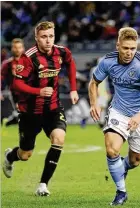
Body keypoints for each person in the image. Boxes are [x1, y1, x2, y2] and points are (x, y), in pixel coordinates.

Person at [2, 21, 79, 196]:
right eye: (44, 37)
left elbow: (71, 64)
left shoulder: (61, 52)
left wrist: (73, 89)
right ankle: (10, 157)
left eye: (51, 36)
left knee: (59, 138)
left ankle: (43, 185)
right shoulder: (28, 58)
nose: (48, 40)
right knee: (25, 154)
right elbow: (17, 84)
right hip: (30, 112)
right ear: (36, 38)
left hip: (52, 108)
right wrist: (38, 91)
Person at [88, 27, 140, 205]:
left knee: (135, 161)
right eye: (125, 48)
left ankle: (123, 166)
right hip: (119, 110)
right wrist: (94, 103)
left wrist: (139, 115)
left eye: (133, 48)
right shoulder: (107, 61)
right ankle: (121, 192)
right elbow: (93, 82)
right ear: (118, 45)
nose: (129, 53)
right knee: (112, 148)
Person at [1, 38, 25, 125]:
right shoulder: (7, 64)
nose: (17, 50)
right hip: (16, 93)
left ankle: (11, 120)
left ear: (23, 48)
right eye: (15, 47)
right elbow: (1, 77)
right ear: (12, 49)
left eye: (19, 47)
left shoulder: (30, 62)